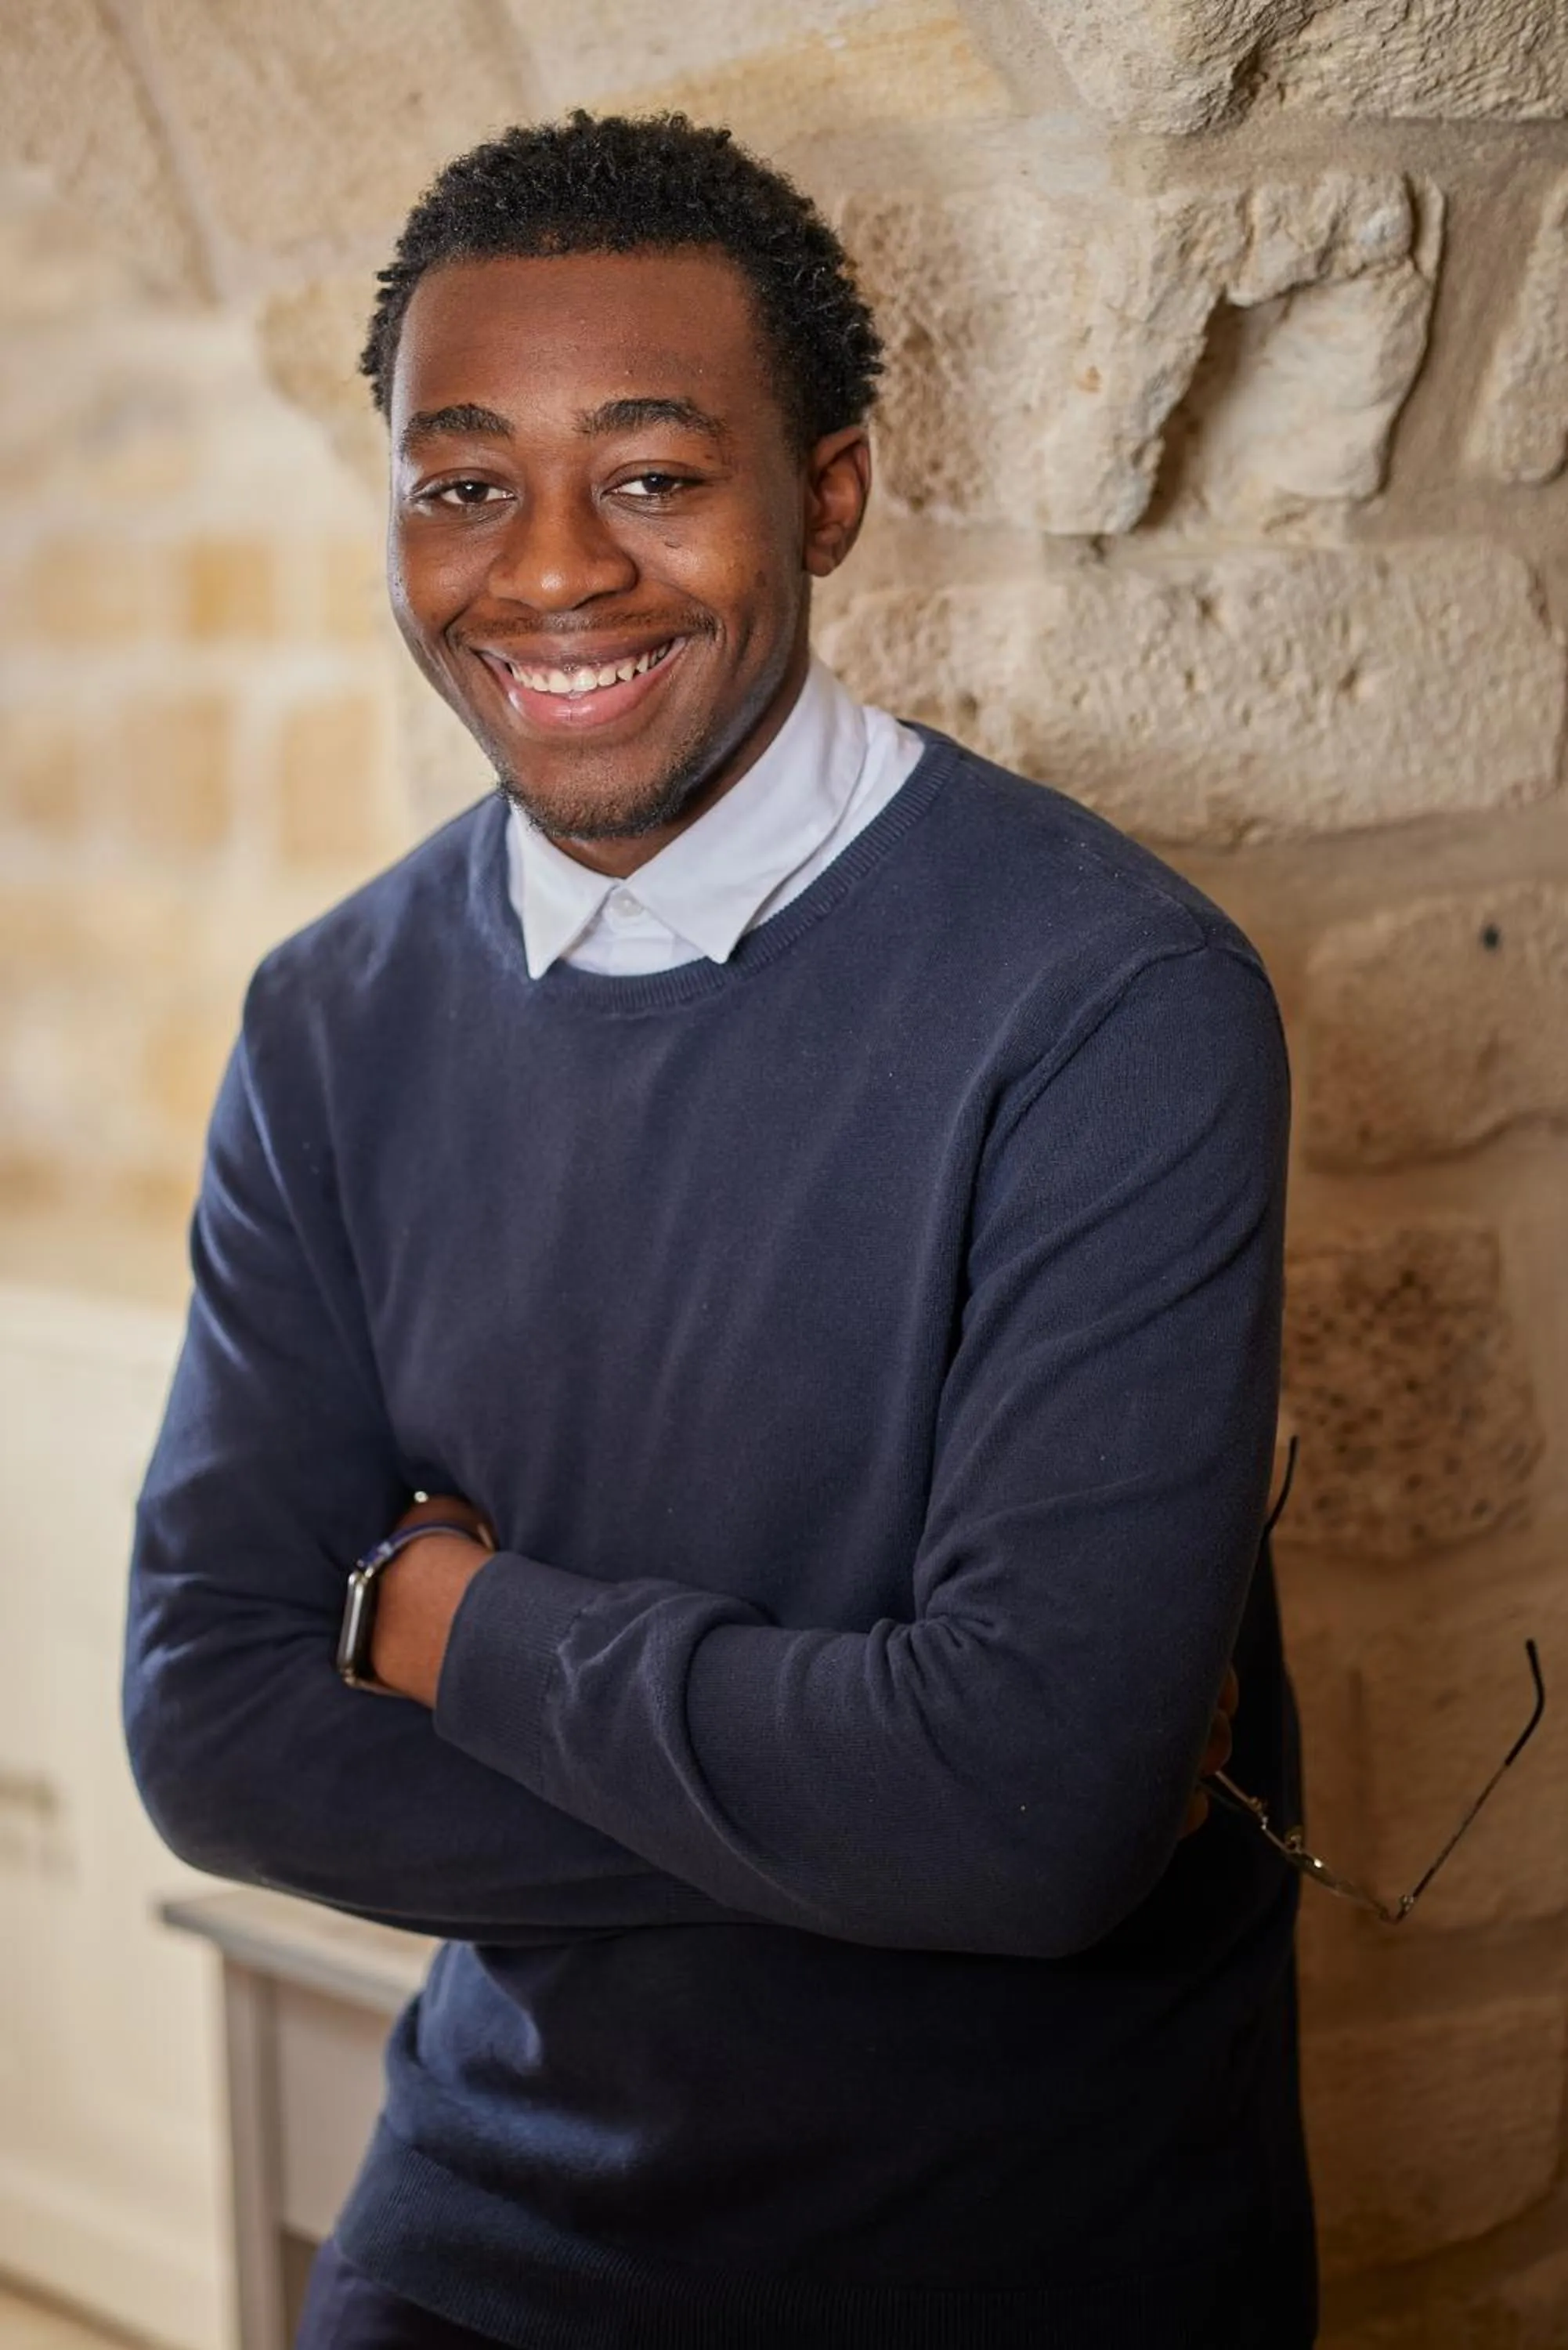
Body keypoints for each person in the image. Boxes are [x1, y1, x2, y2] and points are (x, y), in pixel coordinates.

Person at [123, 110, 1315, 2350]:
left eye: (654, 476)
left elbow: (1031, 1824)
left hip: (1022, 2257)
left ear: (830, 493)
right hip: (482, 2222)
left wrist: (437, 1617)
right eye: (464, 482)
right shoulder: (331, 1021)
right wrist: (901, 1807)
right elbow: (210, 1731)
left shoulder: (1114, 1005)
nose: (551, 569)